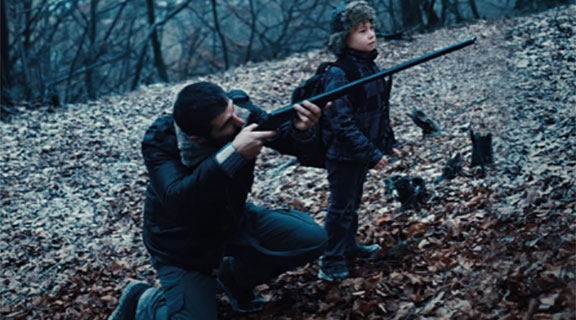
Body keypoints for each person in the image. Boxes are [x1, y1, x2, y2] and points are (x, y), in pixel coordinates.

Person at [109, 82, 329, 319]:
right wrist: (233, 154)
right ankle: (145, 301)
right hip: (181, 244)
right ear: (198, 139)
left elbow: (287, 141)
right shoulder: (160, 141)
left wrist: (302, 129)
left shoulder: (238, 112)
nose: (238, 122)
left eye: (233, 111)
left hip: (231, 220)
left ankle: (234, 279)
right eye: (227, 124)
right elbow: (179, 198)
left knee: (313, 240)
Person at [317, 0, 400, 282]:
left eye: (371, 27)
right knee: (341, 207)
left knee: (353, 203)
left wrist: (387, 143)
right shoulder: (340, 74)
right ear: (344, 39)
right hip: (343, 155)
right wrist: (370, 154)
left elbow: (379, 110)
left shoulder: (370, 66)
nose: (371, 34)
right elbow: (341, 123)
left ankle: (348, 246)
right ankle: (331, 259)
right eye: (362, 30)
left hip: (361, 151)